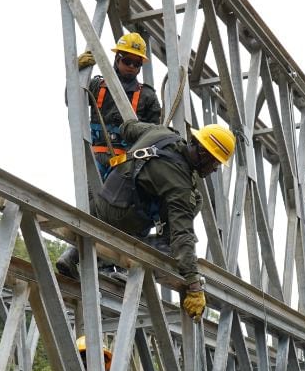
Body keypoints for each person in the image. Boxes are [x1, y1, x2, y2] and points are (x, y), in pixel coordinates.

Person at [55, 120, 236, 320]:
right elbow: (182, 232)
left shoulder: (161, 132)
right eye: (215, 162)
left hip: (104, 199)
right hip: (124, 219)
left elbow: (126, 128)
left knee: (167, 193)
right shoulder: (179, 184)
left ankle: (71, 255)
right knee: (192, 204)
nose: (215, 169)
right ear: (204, 154)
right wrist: (193, 284)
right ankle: (154, 248)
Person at [76, 32, 163, 181]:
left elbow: (154, 136)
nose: (131, 66)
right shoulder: (97, 86)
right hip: (95, 157)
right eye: (127, 61)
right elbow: (71, 101)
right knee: (90, 200)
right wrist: (75, 72)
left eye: (136, 64)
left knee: (118, 202)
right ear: (117, 59)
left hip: (126, 161)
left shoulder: (147, 96)